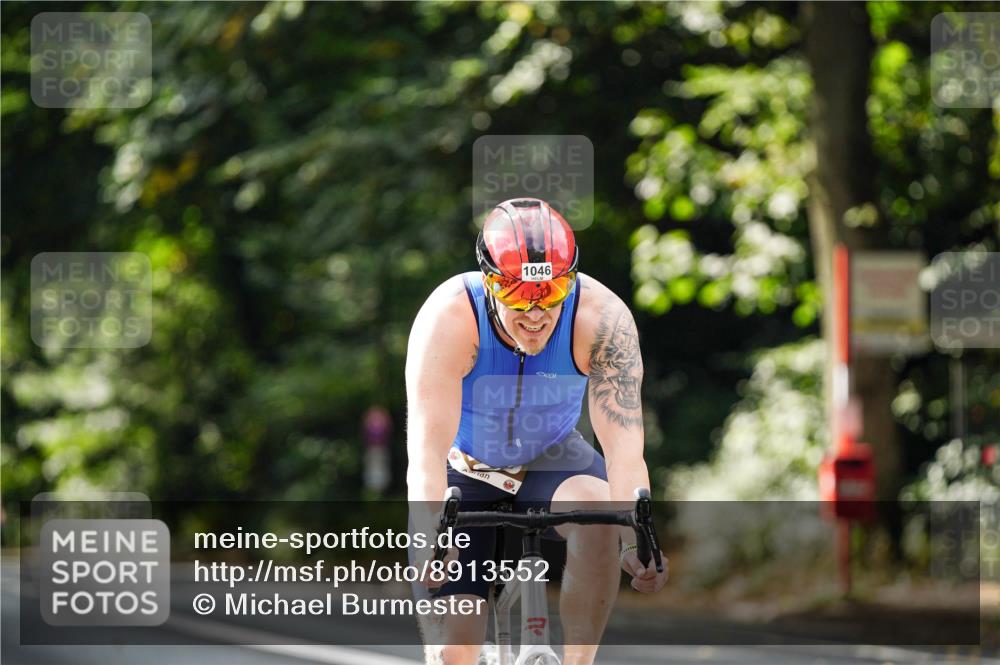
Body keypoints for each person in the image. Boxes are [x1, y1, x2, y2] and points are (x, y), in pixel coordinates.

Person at [406, 198, 667, 665]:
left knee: (600, 514)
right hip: (465, 469)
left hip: (554, 458)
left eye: (550, 294)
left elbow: (624, 448)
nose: (535, 312)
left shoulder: (602, 319)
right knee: (453, 652)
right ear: (489, 284)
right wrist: (431, 533)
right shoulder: (448, 319)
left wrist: (636, 539)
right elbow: (426, 453)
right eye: (517, 296)